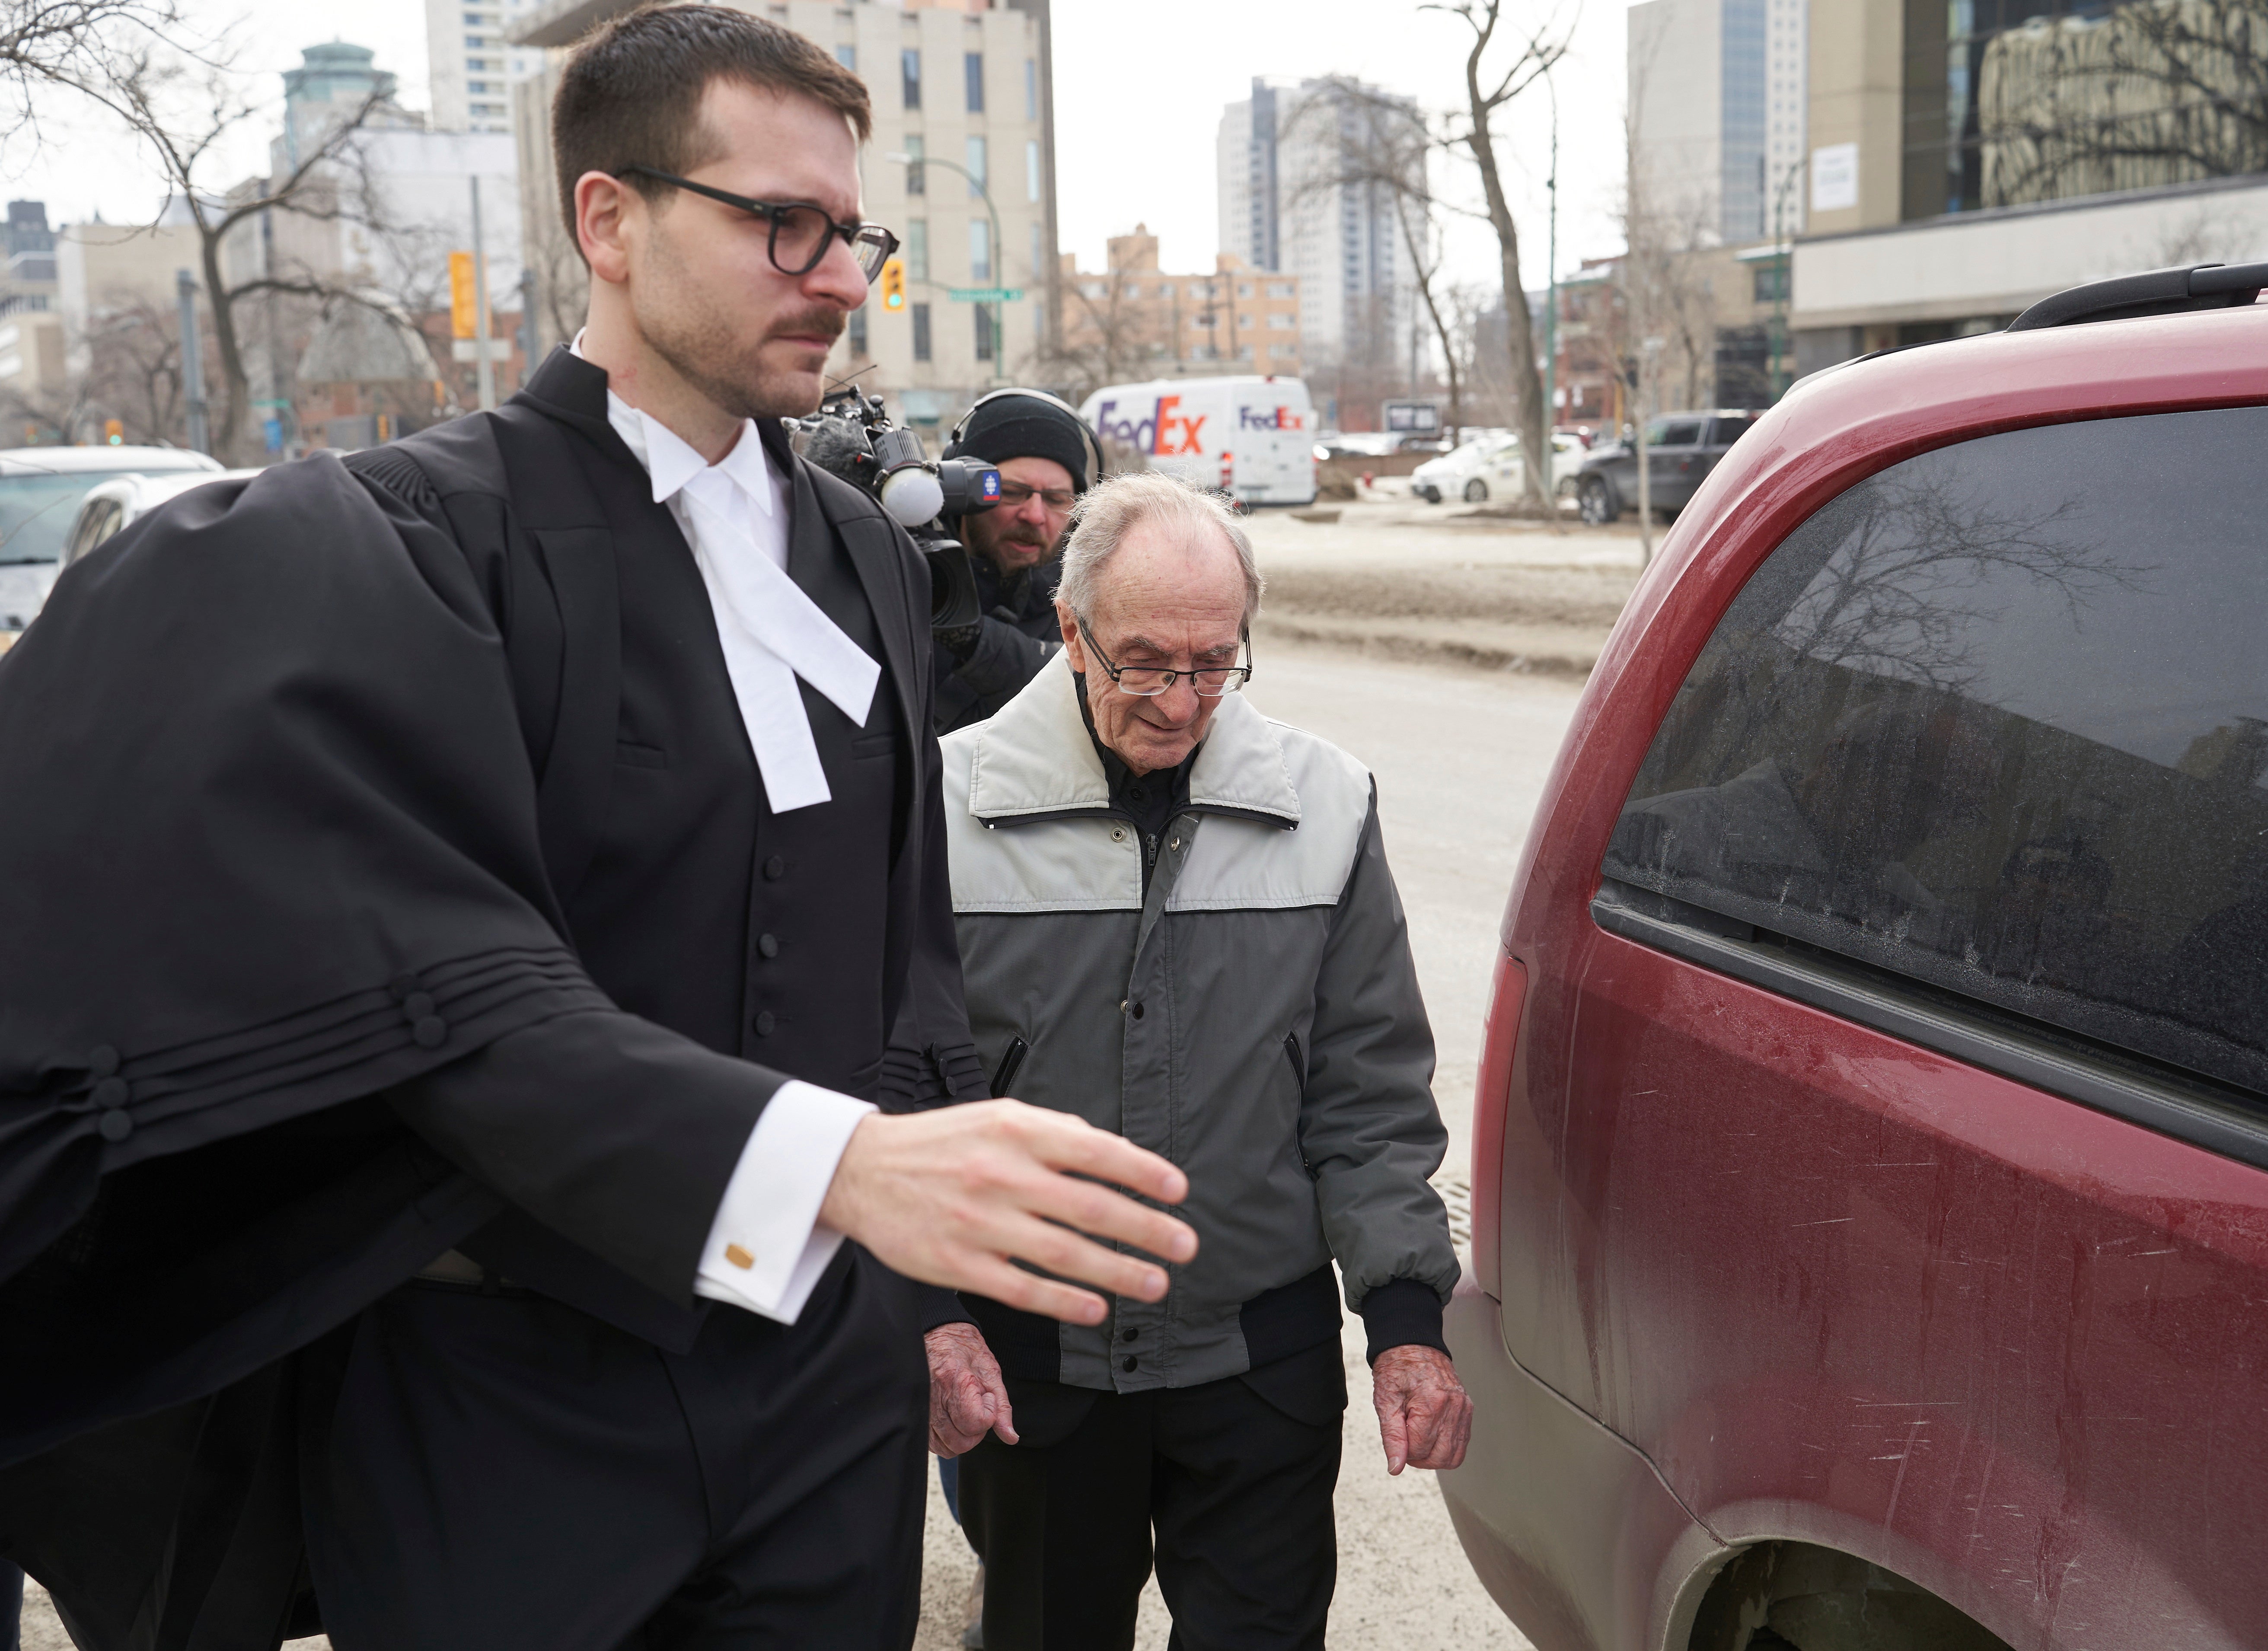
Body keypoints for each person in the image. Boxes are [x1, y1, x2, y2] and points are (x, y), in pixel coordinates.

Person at [0, 10, 1194, 1648]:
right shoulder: (425, 544)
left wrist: (918, 1297)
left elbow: (895, 960)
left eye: (857, 235)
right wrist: (843, 1168)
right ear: (609, 221)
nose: (840, 277)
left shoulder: (856, 554)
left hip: (823, 1387)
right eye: (784, 224)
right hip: (502, 1402)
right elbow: (447, 993)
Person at [923, 472, 1472, 1651]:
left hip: (1255, 1366)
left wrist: (1405, 1320)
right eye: (1143, 661)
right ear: (1067, 630)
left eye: (1213, 661)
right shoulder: (942, 808)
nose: (1181, 701)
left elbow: (1366, 1093)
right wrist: (923, 1313)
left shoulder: (1321, 802)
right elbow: (894, 1093)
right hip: (1036, 1363)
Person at [930, 390, 1098, 733]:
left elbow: (1094, 682)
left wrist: (976, 641)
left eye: (1056, 499)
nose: (1034, 515)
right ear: (960, 491)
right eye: (1010, 492)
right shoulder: (902, 579)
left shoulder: (1091, 605)